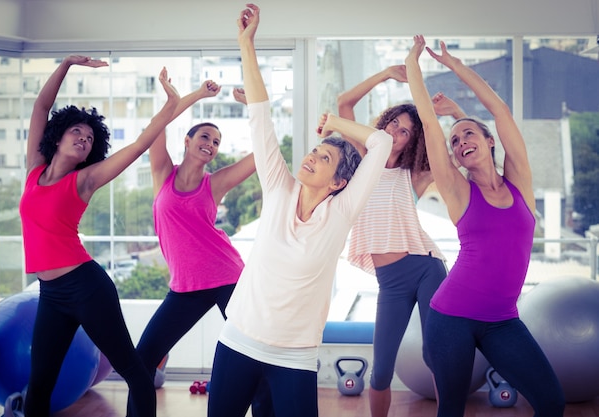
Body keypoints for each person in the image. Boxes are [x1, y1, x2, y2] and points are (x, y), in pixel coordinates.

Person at [206, 4, 393, 417]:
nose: (311, 158)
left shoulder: (341, 212)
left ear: (339, 182)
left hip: (294, 357)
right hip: (238, 341)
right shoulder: (278, 188)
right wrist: (245, 42)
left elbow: (382, 143)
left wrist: (336, 125)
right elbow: (260, 115)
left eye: (324, 159)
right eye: (314, 150)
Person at [405, 35, 566, 416]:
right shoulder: (459, 192)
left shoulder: (519, 182)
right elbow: (429, 121)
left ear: (489, 141)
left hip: (503, 321)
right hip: (450, 318)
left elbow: (501, 111)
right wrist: (413, 61)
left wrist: (454, 65)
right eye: (455, 141)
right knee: (451, 410)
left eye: (469, 134)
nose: (461, 142)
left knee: (552, 402)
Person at [19, 55, 179, 417]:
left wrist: (170, 106)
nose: (83, 138)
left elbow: (138, 146)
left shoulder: (85, 180)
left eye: (90, 138)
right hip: (51, 294)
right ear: (58, 136)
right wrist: (67, 64)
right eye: (77, 131)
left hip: (86, 288)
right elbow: (41, 106)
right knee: (40, 381)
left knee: (134, 371)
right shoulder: (34, 170)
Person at [126, 81, 272, 416]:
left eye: (216, 141)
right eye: (204, 136)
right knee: (142, 359)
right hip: (185, 288)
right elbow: (156, 126)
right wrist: (197, 96)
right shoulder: (162, 173)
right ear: (188, 141)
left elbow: (264, 153)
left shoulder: (215, 182)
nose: (211, 144)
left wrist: (253, 107)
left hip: (227, 278)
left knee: (256, 355)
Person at [336, 65, 466, 417]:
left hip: (425, 268)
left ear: (413, 140)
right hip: (390, 282)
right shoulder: (362, 162)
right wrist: (384, 76)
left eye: (406, 131)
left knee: (435, 353)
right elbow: (343, 104)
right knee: (381, 368)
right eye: (394, 123)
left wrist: (455, 113)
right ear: (384, 124)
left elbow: (457, 153)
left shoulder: (416, 175)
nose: (396, 131)